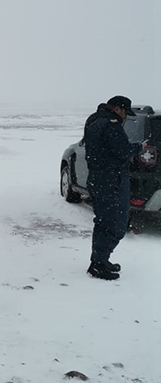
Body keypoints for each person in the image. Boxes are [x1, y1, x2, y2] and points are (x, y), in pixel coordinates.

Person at [83, 95, 146, 280]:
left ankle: (100, 260)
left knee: (103, 222)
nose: (126, 116)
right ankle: (98, 264)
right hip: (111, 182)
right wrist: (138, 148)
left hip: (99, 180)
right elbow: (122, 150)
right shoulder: (111, 125)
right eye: (126, 111)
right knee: (115, 225)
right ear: (118, 108)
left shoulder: (94, 120)